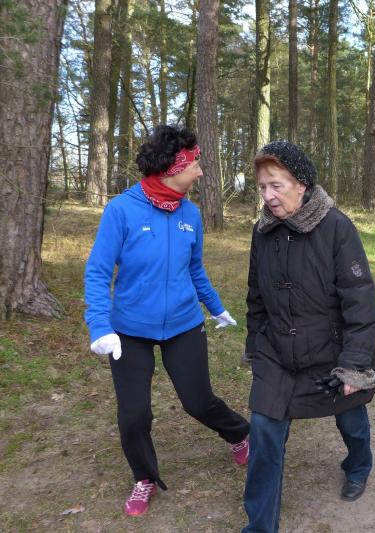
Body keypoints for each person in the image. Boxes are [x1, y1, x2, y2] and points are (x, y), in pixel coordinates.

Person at [84, 125, 250, 517]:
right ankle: (144, 476)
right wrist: (100, 326)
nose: (201, 172)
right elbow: (97, 272)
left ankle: (241, 435)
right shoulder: (121, 210)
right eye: (195, 164)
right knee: (134, 414)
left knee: (198, 401)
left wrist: (215, 306)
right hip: (129, 331)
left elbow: (195, 269)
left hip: (183, 323)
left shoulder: (190, 213)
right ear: (172, 168)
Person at [242, 141, 375, 532]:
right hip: (276, 352)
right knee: (264, 432)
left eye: (276, 185)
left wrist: (354, 365)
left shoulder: (336, 228)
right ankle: (260, 527)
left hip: (329, 352)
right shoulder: (262, 232)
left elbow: (360, 299)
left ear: (301, 184)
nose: (268, 196)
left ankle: (358, 466)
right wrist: (255, 346)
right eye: (262, 187)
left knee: (351, 421)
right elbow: (256, 296)